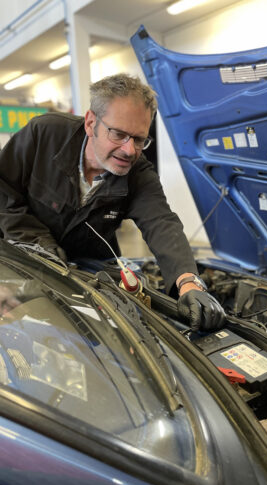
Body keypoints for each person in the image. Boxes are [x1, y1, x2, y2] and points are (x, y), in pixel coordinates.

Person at [0, 73, 225, 332]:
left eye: (139, 139)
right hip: (19, 258)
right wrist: (38, 242)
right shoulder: (44, 134)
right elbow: (3, 190)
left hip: (83, 270)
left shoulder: (138, 173)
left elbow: (161, 222)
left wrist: (189, 282)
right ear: (90, 122)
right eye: (118, 134)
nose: (129, 151)